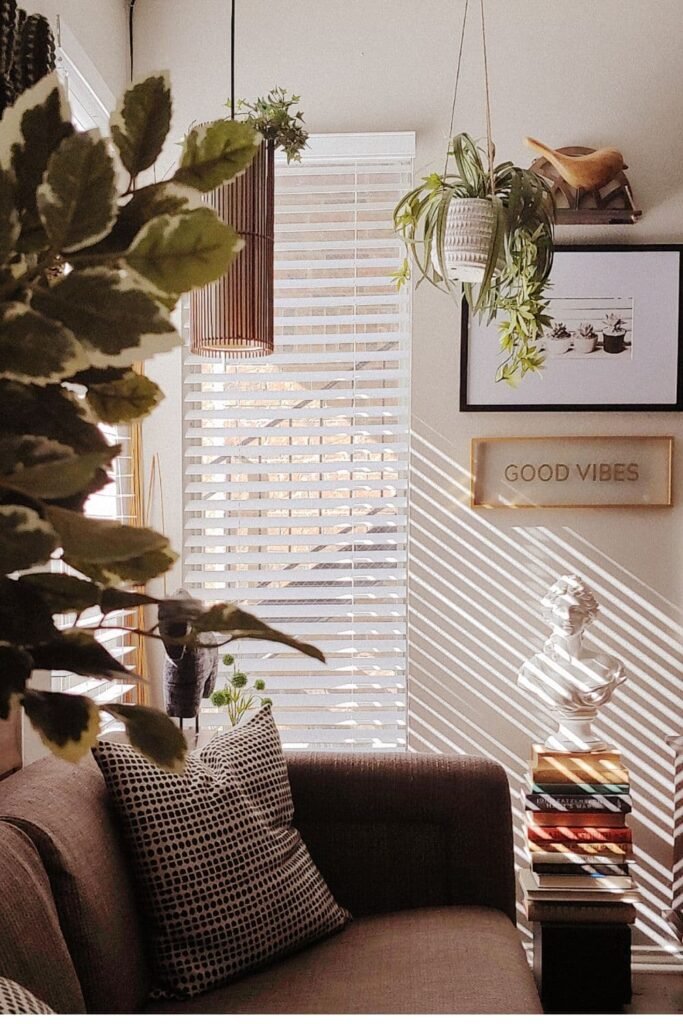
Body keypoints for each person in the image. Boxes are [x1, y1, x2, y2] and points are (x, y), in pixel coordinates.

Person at [518, 574, 626, 750]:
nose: (567, 617)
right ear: (550, 614)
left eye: (575, 610)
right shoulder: (535, 669)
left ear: (588, 617)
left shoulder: (609, 666)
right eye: (561, 609)